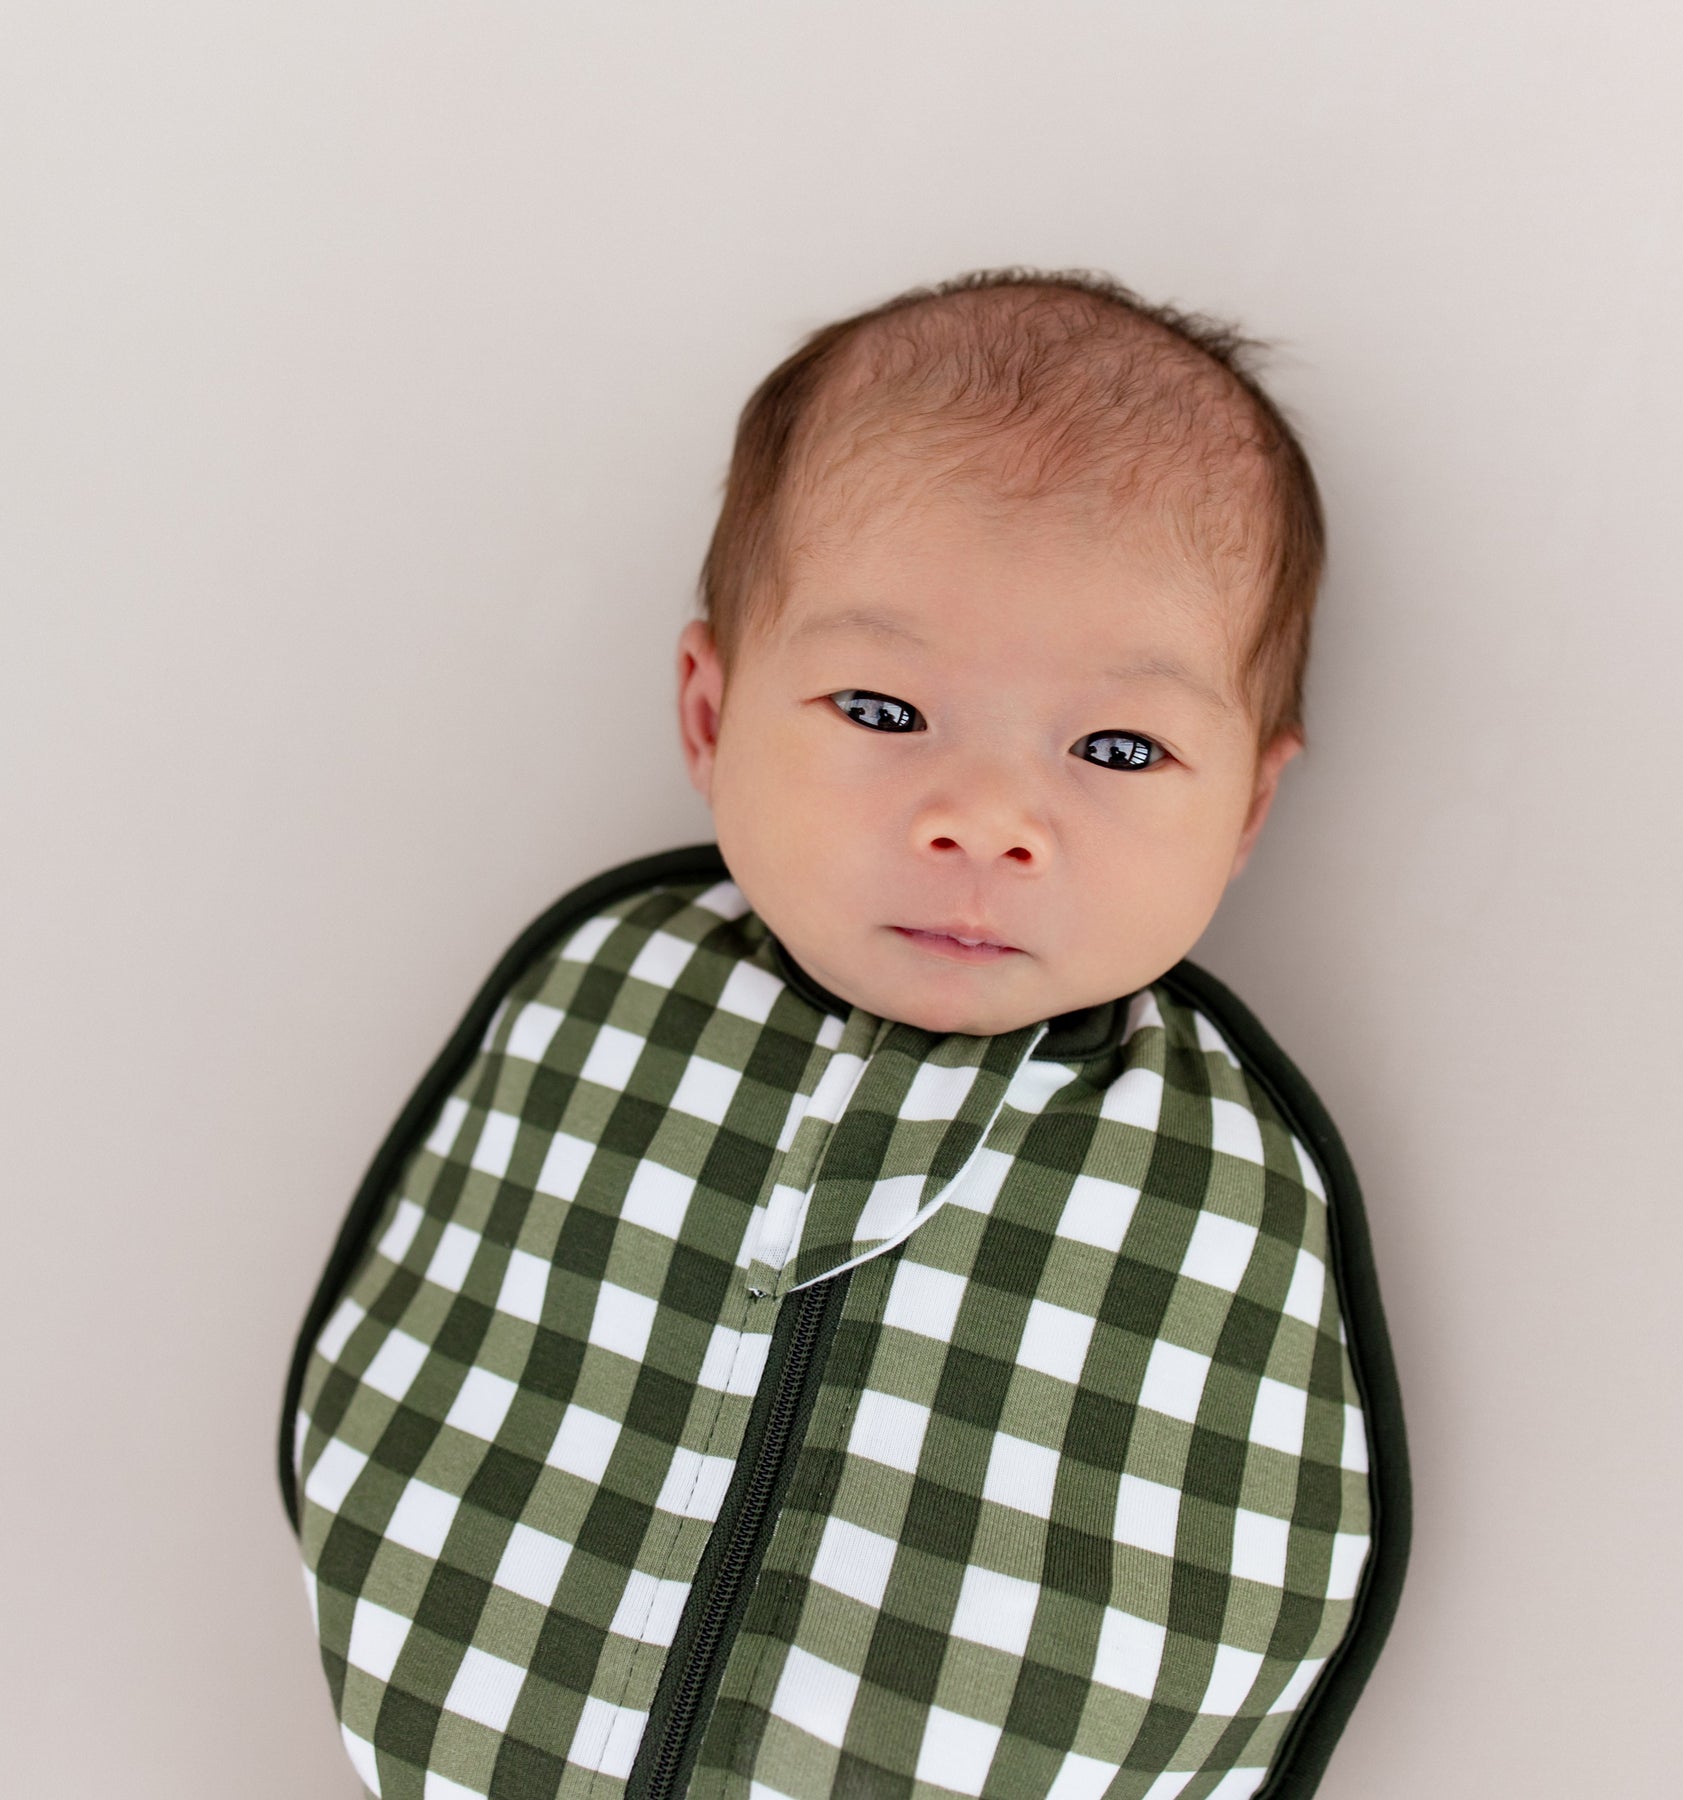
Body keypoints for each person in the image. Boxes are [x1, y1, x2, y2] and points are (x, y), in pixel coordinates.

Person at [281, 269, 1409, 1800]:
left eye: (1122, 748)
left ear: (1249, 809)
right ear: (709, 714)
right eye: (883, 711)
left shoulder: (1219, 1163)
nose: (989, 821)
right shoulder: (617, 992)